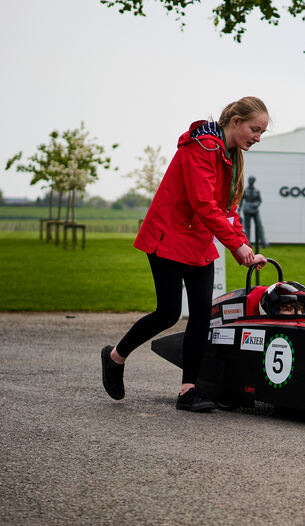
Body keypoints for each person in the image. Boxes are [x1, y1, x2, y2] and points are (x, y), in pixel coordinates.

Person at [101, 97, 270, 412]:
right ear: (235, 122)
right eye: (254, 129)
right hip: (168, 238)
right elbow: (203, 204)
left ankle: (188, 391)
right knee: (167, 313)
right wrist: (235, 245)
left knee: (201, 317)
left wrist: (242, 246)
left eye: (261, 132)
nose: (257, 137)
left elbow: (228, 210)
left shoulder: (232, 158)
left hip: (199, 244)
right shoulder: (201, 148)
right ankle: (115, 357)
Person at [241, 175, 268, 248]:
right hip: (247, 210)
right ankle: (247, 242)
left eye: (252, 180)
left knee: (259, 226)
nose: (250, 182)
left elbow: (260, 200)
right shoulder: (245, 190)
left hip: (255, 210)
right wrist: (239, 210)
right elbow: (241, 201)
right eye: (249, 180)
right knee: (247, 227)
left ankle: (263, 242)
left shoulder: (257, 191)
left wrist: (256, 205)